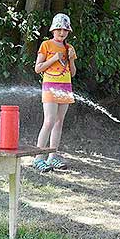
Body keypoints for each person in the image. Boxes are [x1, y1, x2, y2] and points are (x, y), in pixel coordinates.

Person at [33, 13, 77, 172]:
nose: (62, 33)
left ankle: (52, 156)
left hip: (65, 87)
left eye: (65, 30)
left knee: (59, 122)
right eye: (59, 29)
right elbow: (38, 68)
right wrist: (53, 59)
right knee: (49, 120)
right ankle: (38, 157)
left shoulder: (69, 48)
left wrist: (71, 59)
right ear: (53, 30)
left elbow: (72, 73)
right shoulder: (46, 45)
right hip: (50, 86)